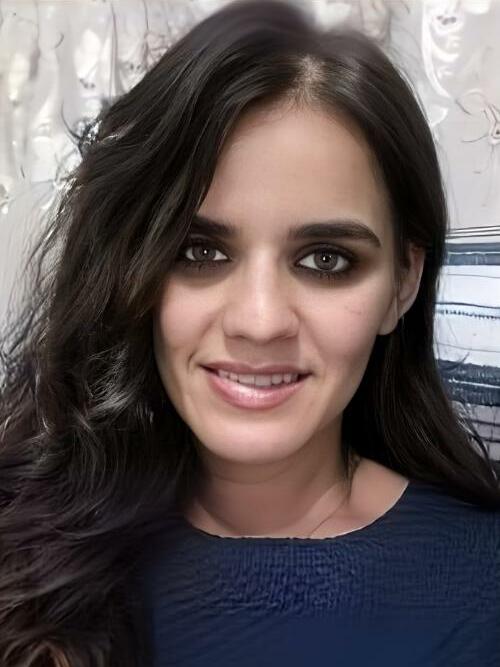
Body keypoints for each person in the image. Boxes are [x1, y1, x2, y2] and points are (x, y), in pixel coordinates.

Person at [0, 0, 499, 665]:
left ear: (402, 284)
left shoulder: (483, 587)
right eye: (199, 251)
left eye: (326, 260)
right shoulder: (24, 541)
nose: (259, 321)